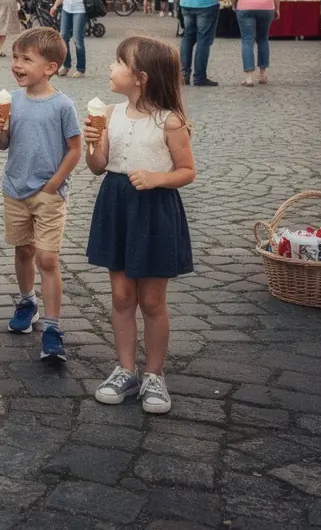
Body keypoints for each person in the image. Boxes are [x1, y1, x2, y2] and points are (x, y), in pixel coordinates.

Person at [83, 35, 195, 415]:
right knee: (121, 296)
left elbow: (186, 171)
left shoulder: (170, 120)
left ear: (141, 77)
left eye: (118, 62)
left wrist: (155, 178)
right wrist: (92, 145)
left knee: (151, 299)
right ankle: (125, 369)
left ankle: (154, 373)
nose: (110, 68)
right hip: (117, 204)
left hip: (154, 209)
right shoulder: (111, 114)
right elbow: (98, 167)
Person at [0, 27, 82, 362]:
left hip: (48, 192)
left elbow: (75, 149)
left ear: (50, 68)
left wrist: (55, 182)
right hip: (14, 189)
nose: (17, 64)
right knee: (23, 250)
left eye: (26, 59)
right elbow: (2, 145)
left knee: (47, 258)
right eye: (15, 57)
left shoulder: (63, 105)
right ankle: (27, 301)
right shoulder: (11, 100)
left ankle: (53, 327)